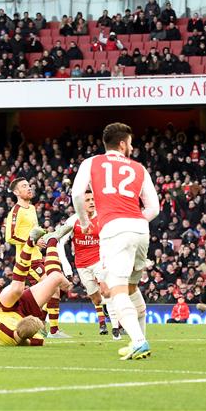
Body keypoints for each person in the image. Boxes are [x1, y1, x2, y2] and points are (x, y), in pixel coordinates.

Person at [71, 122, 159, 360]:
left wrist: (84, 220)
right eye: (130, 142)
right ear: (122, 144)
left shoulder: (91, 163)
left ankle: (139, 341)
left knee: (115, 290)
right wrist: (136, 220)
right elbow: (154, 208)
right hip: (141, 230)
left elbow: (77, 194)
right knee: (131, 288)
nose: (131, 146)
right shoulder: (139, 168)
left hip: (114, 229)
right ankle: (139, 339)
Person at [0, 227, 71, 345]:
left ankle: (30, 242)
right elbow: (36, 340)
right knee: (56, 277)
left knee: (17, 290)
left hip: (2, 309)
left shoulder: (0, 329)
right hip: (24, 310)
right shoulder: (37, 339)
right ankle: (52, 241)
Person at [5, 177, 69, 338]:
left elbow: (34, 232)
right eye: (24, 186)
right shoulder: (15, 211)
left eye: (29, 185)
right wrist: (33, 241)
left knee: (56, 287)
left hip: (38, 256)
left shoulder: (32, 208)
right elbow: (10, 236)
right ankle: (52, 330)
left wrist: (48, 236)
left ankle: (42, 325)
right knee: (53, 285)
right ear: (16, 192)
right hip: (27, 260)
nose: (28, 188)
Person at [57, 189, 122, 339]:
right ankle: (102, 322)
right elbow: (60, 243)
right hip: (81, 265)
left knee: (106, 291)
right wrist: (67, 268)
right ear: (80, 203)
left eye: (93, 199)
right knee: (96, 298)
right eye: (87, 200)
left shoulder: (102, 217)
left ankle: (116, 329)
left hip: (100, 260)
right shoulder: (73, 220)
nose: (92, 202)